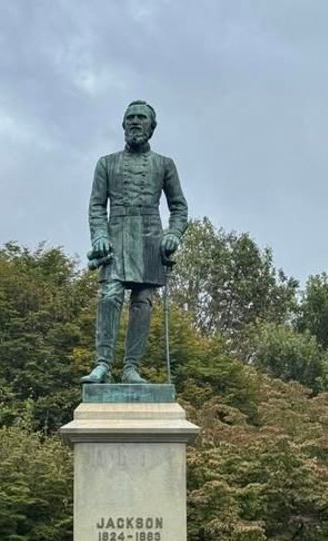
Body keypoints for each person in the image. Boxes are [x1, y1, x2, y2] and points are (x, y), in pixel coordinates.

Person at [82, 100, 188, 384]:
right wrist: (100, 236)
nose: (135, 122)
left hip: (150, 239)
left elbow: (179, 207)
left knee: (142, 303)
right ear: (123, 124)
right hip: (116, 237)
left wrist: (173, 235)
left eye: (141, 118)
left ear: (152, 126)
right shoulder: (106, 163)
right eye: (130, 118)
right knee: (109, 296)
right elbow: (96, 207)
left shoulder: (165, 164)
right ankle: (102, 364)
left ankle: (131, 367)